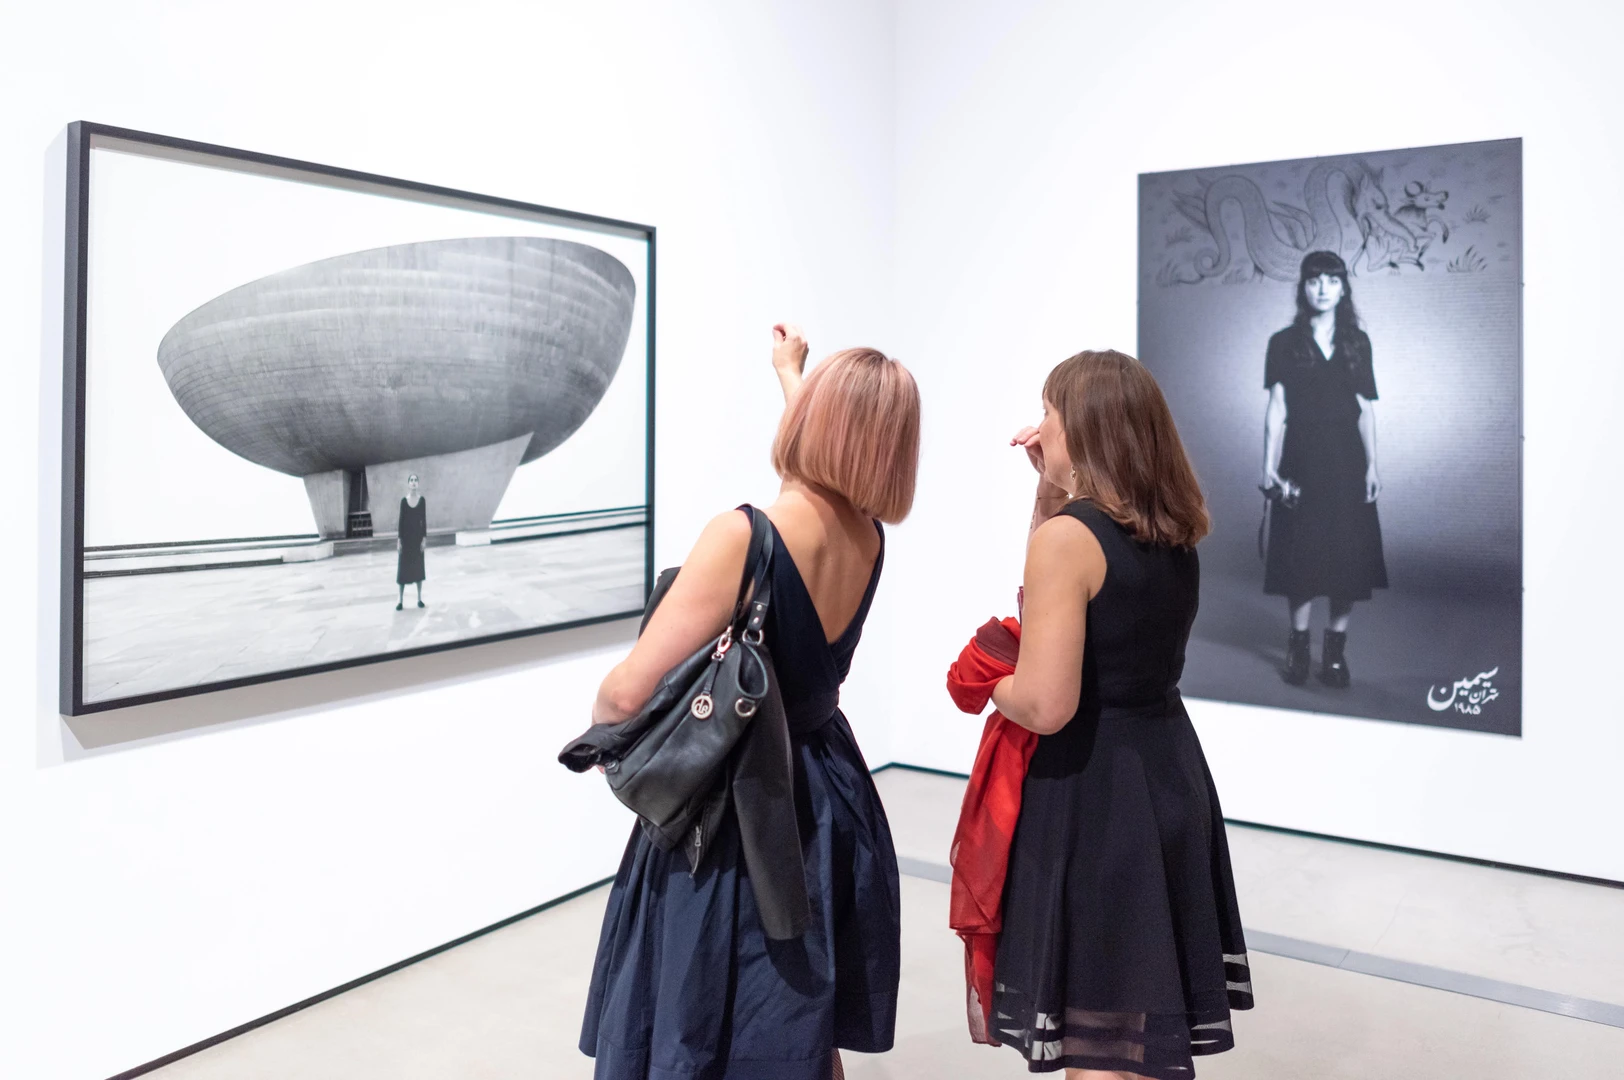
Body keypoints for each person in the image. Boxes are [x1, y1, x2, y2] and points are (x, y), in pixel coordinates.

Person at [579, 324, 919, 1080]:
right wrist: (790, 373)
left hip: (737, 806)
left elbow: (631, 687)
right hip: (825, 792)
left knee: (703, 1008)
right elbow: (828, 462)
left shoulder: (742, 536)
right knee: (798, 1009)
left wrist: (605, 724)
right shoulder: (867, 536)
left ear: (814, 425)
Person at [994, 349, 1253, 1079]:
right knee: (1144, 1029)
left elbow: (1046, 701)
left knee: (1097, 1041)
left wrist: (991, 683)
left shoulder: (1069, 542)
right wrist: (1050, 497)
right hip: (1170, 778)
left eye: (1049, 411)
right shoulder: (1173, 531)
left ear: (1083, 427)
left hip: (1096, 793)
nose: (1039, 426)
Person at [1261, 251, 1387, 687]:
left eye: (1332, 280)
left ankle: (1334, 653)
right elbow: (1276, 409)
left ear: (1343, 287)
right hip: (1300, 459)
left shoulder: (1357, 342)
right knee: (1302, 556)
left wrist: (1373, 466)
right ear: (1303, 286)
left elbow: (1367, 410)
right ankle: (1298, 649)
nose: (1323, 288)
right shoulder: (1283, 342)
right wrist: (1268, 468)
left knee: (1346, 558)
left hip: (1348, 460)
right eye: (1315, 279)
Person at [396, 474, 427, 611]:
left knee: (418, 569)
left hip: (417, 540)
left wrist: (424, 539)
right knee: (402, 569)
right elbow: (401, 522)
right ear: (408, 484)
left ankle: (419, 599)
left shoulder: (422, 500)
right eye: (411, 480)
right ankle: (400, 601)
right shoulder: (403, 501)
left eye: (415, 480)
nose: (413, 483)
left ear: (418, 484)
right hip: (406, 540)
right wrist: (399, 540)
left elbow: (424, 521)